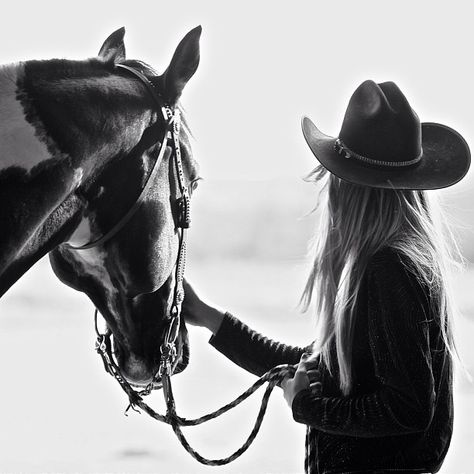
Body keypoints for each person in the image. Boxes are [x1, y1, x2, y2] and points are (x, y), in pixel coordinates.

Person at [182, 80, 471, 474]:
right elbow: (323, 369)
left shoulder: (389, 270)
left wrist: (308, 407)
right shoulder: (402, 264)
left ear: (349, 188)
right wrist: (208, 317)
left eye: (332, 176)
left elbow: (408, 409)